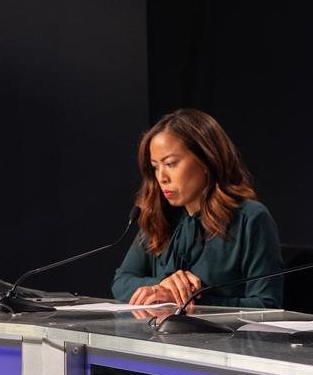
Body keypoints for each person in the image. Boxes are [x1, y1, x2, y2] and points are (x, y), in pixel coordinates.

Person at [113, 108, 283, 309]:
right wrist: (161, 287)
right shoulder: (159, 217)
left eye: (170, 163)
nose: (162, 177)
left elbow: (267, 305)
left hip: (227, 339)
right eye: (155, 167)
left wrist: (189, 300)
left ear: (206, 160)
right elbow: (121, 282)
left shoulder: (251, 218)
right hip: (158, 339)